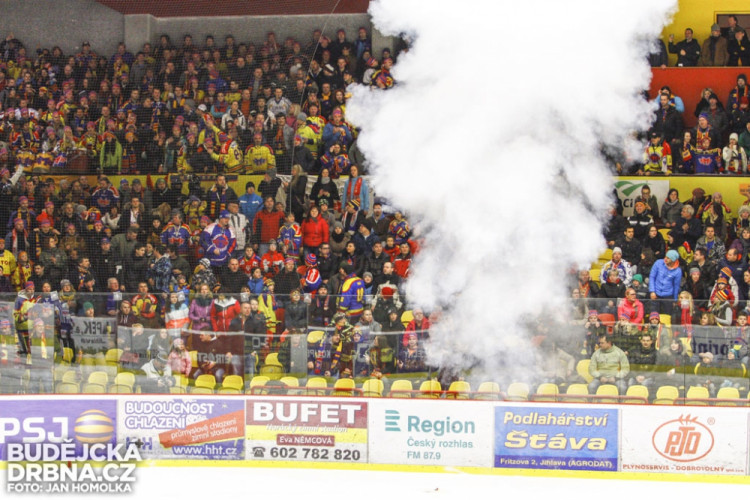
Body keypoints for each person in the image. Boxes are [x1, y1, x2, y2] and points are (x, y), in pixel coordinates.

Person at [649, 249, 682, 314]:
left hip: (668, 296)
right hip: (656, 293)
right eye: (665, 257)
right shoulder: (658, 263)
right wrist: (652, 291)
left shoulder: (678, 271)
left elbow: (676, 286)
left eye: (668, 258)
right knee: (654, 315)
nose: (665, 259)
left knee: (667, 316)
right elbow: (652, 277)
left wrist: (675, 300)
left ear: (673, 260)